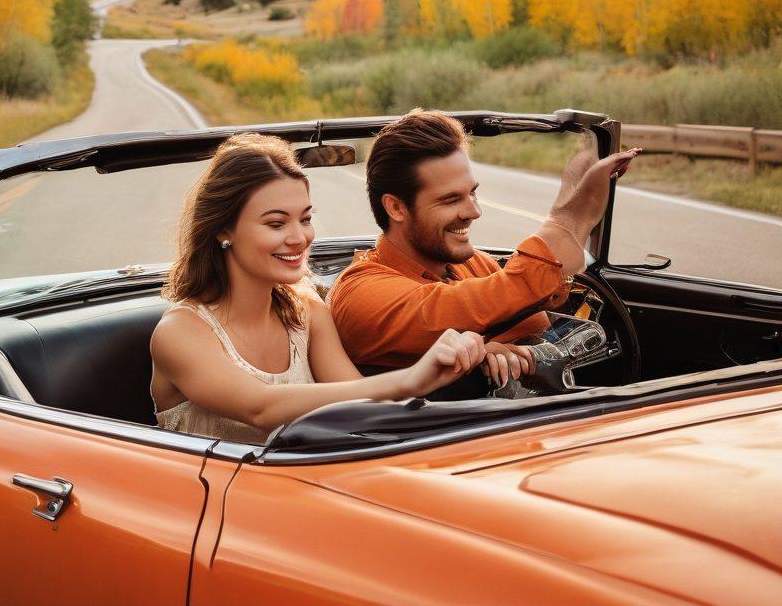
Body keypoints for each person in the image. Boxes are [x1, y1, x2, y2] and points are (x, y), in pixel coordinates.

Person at [150, 132, 487, 444]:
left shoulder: (306, 311)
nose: (299, 238)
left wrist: (472, 356)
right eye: (276, 223)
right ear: (224, 230)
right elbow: (260, 408)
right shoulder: (180, 331)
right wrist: (411, 378)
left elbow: (359, 401)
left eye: (306, 219)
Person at [329, 109, 641, 383]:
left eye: (472, 193)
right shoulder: (360, 294)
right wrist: (569, 217)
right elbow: (475, 304)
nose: (474, 211)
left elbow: (533, 325)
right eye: (451, 199)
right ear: (396, 208)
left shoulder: (472, 263)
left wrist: (499, 350)